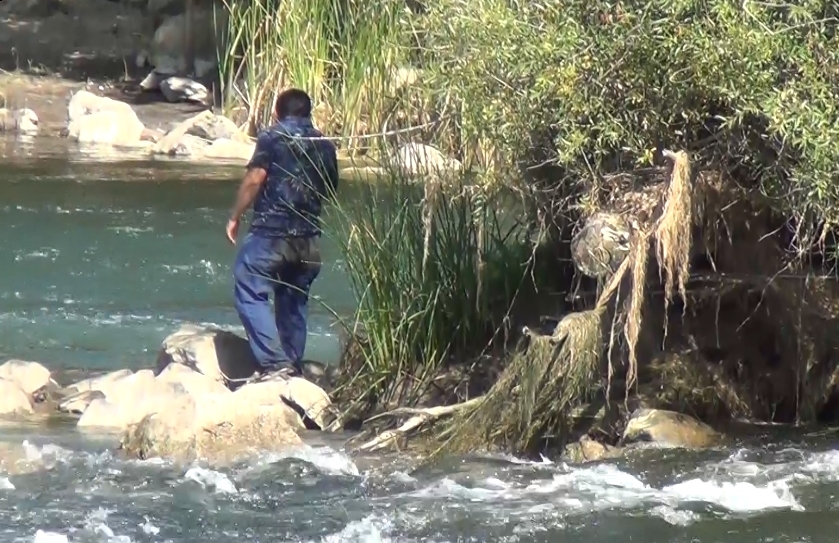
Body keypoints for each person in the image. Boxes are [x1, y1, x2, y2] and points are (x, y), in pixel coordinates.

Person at [225, 88, 339, 382]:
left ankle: (276, 364)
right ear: (308, 113)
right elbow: (330, 189)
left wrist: (235, 216)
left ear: (276, 113)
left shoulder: (271, 138)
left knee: (248, 282)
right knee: (293, 299)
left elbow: (255, 179)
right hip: (308, 238)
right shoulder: (325, 145)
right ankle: (292, 363)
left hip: (271, 234)